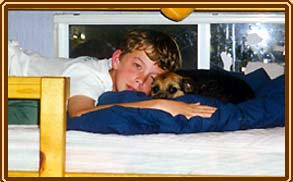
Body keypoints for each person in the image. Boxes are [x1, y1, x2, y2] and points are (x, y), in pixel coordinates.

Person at [8, 29, 216, 120]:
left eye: (152, 78)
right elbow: (80, 113)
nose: (140, 79)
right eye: (137, 65)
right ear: (116, 59)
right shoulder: (88, 74)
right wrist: (159, 104)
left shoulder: (117, 86)